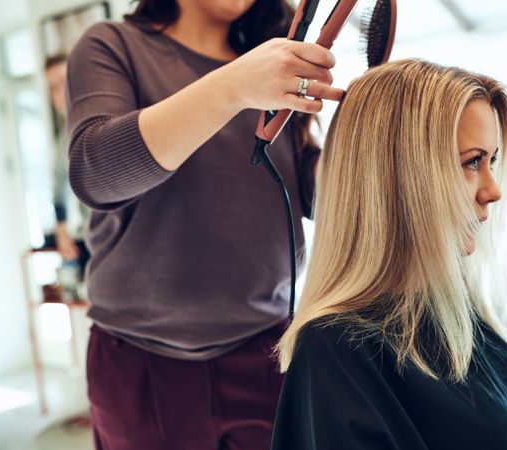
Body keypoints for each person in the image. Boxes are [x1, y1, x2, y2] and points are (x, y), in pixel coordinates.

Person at [65, 0, 343, 448]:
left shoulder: (273, 64)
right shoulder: (111, 45)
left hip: (268, 350)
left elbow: (309, 189)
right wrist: (234, 86)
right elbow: (96, 173)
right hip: (140, 359)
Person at [271, 59, 507, 449]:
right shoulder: (338, 351)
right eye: (472, 162)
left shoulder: (458, 319)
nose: (493, 190)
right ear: (401, 178)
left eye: (492, 162)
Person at [44, 54, 90, 278]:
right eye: (51, 87)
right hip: (96, 236)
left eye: (62, 82)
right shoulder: (65, 135)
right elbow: (59, 181)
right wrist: (61, 227)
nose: (57, 93)